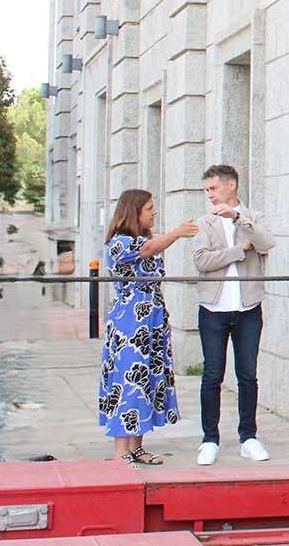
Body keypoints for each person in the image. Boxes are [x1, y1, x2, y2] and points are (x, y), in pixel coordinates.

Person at [98, 189, 197, 465]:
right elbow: (146, 251)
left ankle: (138, 446)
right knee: (128, 380)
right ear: (134, 212)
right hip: (130, 323)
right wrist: (176, 233)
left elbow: (151, 250)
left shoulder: (146, 239)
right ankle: (121, 451)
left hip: (152, 320)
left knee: (149, 380)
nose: (154, 213)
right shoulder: (119, 243)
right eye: (149, 208)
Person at [190, 164, 276, 465]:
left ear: (231, 186)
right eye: (207, 190)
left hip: (248, 308)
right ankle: (209, 439)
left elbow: (267, 243)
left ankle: (248, 436)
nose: (209, 195)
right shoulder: (204, 222)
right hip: (213, 309)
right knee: (212, 374)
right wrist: (238, 252)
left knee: (247, 376)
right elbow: (201, 260)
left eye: (213, 188)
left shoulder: (252, 218)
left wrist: (239, 219)